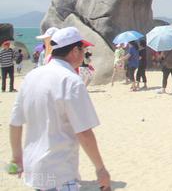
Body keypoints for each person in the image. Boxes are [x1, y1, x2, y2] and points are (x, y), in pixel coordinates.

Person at [9, 27, 111, 190]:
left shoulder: (31, 76)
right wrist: (100, 169)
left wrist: (16, 156)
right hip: (59, 172)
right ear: (74, 50)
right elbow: (84, 132)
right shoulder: (71, 81)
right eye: (82, 48)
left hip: (34, 169)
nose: (84, 52)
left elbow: (15, 122)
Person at [1, 23, 16, 92]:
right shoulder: (1, 52)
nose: (7, 46)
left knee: (12, 78)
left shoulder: (11, 50)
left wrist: (13, 60)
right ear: (4, 46)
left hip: (10, 66)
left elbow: (14, 56)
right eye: (6, 45)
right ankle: (3, 89)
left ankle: (11, 88)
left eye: (8, 45)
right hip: (3, 67)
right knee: (4, 78)